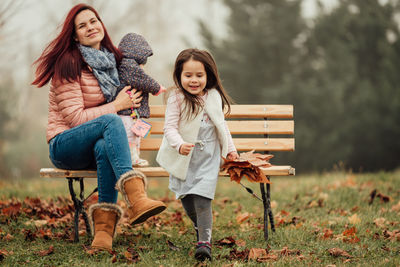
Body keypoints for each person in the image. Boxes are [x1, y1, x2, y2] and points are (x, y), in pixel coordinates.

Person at [32, 4, 166, 251]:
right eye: (82, 25)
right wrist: (116, 105)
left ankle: (103, 235)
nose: (91, 27)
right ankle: (136, 197)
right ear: (74, 36)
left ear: (101, 24)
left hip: (95, 145)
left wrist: (135, 101)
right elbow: (74, 118)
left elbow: (130, 91)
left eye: (94, 21)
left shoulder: (113, 61)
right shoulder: (68, 64)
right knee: (111, 120)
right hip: (65, 145)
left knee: (106, 146)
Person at [156, 48, 239, 261]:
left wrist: (230, 150)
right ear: (179, 75)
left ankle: (204, 243)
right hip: (183, 156)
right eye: (188, 75)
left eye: (199, 75)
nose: (194, 80)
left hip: (208, 158)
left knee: (202, 198)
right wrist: (179, 144)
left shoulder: (213, 96)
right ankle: (201, 228)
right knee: (187, 199)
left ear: (208, 76)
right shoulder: (176, 98)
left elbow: (222, 126)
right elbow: (170, 128)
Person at [115, 32, 166, 167]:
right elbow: (144, 80)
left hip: (130, 112)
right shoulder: (128, 66)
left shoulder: (123, 65)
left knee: (135, 136)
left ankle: (135, 157)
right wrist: (157, 88)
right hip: (125, 113)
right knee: (130, 136)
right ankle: (131, 158)